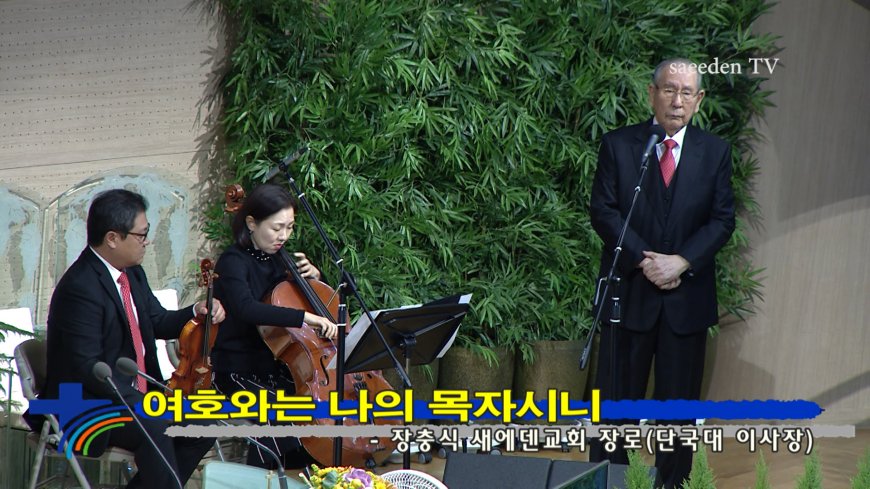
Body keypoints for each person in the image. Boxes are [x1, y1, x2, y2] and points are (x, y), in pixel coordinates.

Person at [588, 58, 736, 488]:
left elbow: (722, 220)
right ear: (652, 93)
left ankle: (672, 484)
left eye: (687, 92)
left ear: (699, 100)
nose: (677, 100)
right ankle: (608, 483)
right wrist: (645, 259)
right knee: (615, 411)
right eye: (669, 89)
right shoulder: (619, 145)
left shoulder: (715, 152)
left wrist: (682, 261)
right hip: (629, 295)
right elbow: (604, 211)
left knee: (677, 415)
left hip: (685, 302)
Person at [39, 188, 226, 489]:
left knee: (203, 422)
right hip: (87, 404)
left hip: (132, 397)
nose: (147, 242)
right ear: (113, 238)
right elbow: (87, 368)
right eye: (142, 235)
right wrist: (146, 403)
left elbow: (156, 321)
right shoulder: (80, 288)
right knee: (157, 425)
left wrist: (196, 311)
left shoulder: (132, 273)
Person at [210, 183, 338, 469]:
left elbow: (317, 301)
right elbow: (246, 308)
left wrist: (315, 278)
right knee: (281, 410)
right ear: (251, 223)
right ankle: (262, 476)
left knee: (321, 407)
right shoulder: (232, 262)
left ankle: (315, 474)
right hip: (236, 370)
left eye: (290, 227)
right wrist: (305, 318)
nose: (284, 236)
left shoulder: (280, 260)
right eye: (277, 228)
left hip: (276, 367)